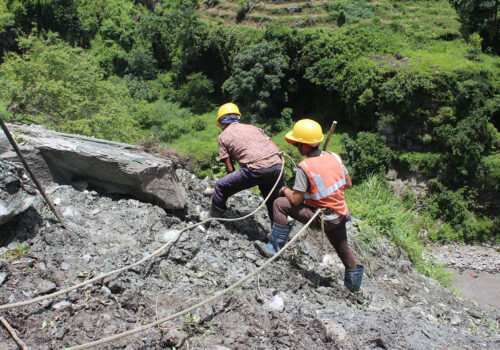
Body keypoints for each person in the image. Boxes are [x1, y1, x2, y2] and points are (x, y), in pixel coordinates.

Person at [261, 119, 364, 292]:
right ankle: (353, 286)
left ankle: (274, 249)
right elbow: (348, 183)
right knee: (342, 246)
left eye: (299, 145)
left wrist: (285, 189)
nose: (297, 148)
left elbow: (295, 200)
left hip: (323, 217)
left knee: (279, 203)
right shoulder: (335, 157)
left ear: (306, 146)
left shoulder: (305, 167)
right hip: (340, 213)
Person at [207, 102, 284, 227]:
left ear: (221, 123)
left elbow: (230, 168)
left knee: (220, 186)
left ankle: (212, 220)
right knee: (273, 202)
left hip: (256, 170)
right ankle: (278, 238)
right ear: (237, 118)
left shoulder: (223, 136)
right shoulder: (253, 128)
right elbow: (276, 148)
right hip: (278, 166)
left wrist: (232, 184)